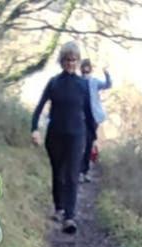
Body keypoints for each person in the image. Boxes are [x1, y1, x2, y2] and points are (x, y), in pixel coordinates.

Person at [31, 42, 95, 234]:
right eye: (67, 60)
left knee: (72, 175)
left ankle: (69, 216)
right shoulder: (53, 83)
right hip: (55, 135)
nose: (70, 63)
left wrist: (95, 138)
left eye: (74, 60)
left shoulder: (83, 85)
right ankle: (59, 207)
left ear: (77, 62)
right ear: (62, 61)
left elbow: (89, 114)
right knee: (58, 173)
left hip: (77, 135)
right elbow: (39, 107)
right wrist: (34, 129)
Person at [80, 58, 111, 183]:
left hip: (93, 118)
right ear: (81, 69)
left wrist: (106, 73)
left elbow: (108, 85)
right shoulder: (77, 82)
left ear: (90, 69)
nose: (86, 70)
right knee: (80, 144)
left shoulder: (94, 82)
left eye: (88, 68)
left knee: (88, 144)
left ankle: (85, 172)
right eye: (84, 68)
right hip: (80, 118)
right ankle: (79, 171)